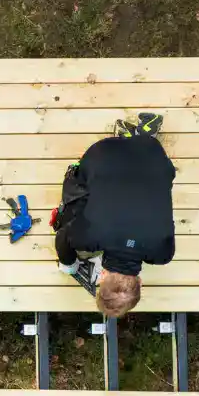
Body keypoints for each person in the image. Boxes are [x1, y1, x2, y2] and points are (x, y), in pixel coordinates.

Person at [52, 124, 176, 317]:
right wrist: (69, 265)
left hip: (153, 152)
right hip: (103, 151)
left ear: (140, 282)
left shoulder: (163, 253)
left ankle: (139, 137)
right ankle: (129, 139)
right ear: (102, 275)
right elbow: (62, 237)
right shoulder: (87, 238)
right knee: (74, 210)